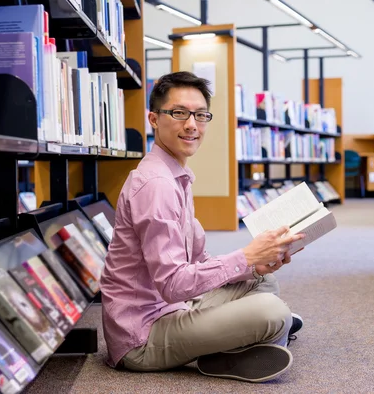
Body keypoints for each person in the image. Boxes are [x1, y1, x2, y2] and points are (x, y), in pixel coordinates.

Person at [100, 71, 305, 383]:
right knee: (272, 311)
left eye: (200, 115)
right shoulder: (156, 185)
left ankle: (231, 349)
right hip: (141, 336)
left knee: (263, 284)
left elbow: (197, 264)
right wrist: (246, 257)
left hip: (175, 306)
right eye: (179, 113)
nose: (191, 125)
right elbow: (172, 283)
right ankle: (249, 341)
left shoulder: (176, 176)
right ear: (154, 119)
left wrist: (255, 266)